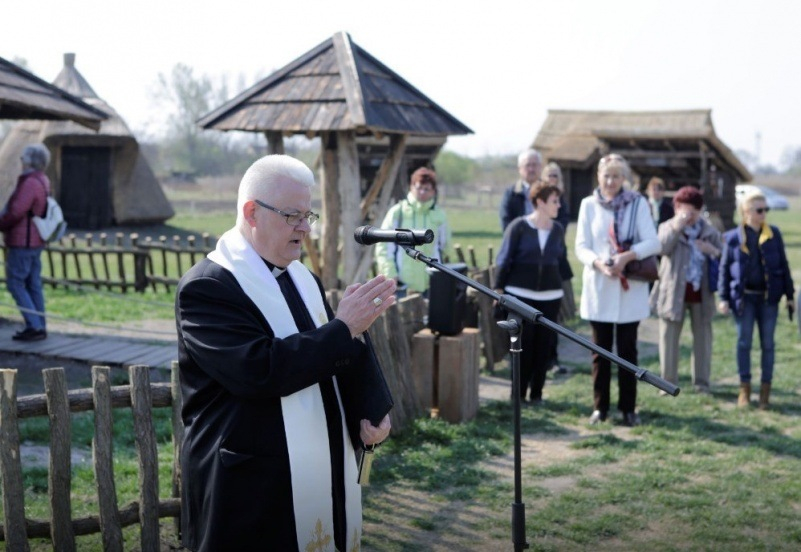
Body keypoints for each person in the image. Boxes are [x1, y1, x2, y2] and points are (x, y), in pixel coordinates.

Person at [175, 154, 395, 551]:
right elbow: (261, 370)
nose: (305, 228)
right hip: (250, 484)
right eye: (293, 216)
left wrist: (370, 410)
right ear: (252, 212)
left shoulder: (303, 278)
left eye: (308, 215)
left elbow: (334, 355)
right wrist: (344, 326)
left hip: (314, 468)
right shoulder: (207, 288)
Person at [574, 154, 661, 426]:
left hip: (628, 289)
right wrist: (598, 263)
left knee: (627, 352)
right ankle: (600, 407)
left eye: (616, 176)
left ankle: (628, 408)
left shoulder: (638, 203)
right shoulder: (588, 205)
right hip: (600, 285)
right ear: (598, 177)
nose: (610, 182)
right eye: (606, 176)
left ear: (624, 179)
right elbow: (581, 246)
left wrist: (627, 257)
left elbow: (653, 242)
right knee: (600, 352)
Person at [718, 189, 794, 409]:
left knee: (768, 345)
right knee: (744, 343)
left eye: (765, 209)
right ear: (746, 211)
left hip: (768, 299)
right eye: (759, 210)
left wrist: (790, 295)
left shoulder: (773, 234)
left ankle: (765, 392)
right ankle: (745, 389)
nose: (763, 214)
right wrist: (723, 298)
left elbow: (784, 265)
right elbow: (724, 269)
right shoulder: (733, 237)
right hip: (744, 300)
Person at [495, 181, 568, 404]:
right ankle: (517, 396)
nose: (559, 205)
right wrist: (499, 289)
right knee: (521, 348)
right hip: (520, 297)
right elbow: (504, 259)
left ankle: (537, 394)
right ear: (540, 202)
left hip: (550, 298)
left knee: (543, 348)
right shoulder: (518, 226)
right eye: (554, 201)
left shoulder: (558, 229)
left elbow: (561, 261)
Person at [650, 186, 721, 394]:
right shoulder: (666, 227)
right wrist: (676, 227)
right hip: (672, 292)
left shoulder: (710, 231)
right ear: (677, 208)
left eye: (694, 211)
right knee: (668, 338)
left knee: (703, 340)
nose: (689, 216)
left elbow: (724, 256)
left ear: (700, 211)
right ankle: (667, 383)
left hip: (701, 293)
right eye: (685, 210)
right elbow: (662, 248)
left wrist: (711, 250)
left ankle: (701, 383)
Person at [0, 143, 51, 341]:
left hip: (23, 241)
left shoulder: (30, 182)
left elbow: (16, 211)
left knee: (16, 283)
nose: (21, 162)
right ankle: (39, 325)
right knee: (32, 284)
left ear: (29, 161)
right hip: (34, 241)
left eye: (22, 159)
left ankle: (34, 325)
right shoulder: (42, 179)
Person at [375, 166, 450, 296]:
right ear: (411, 187)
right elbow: (384, 247)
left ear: (433, 191)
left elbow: (444, 247)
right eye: (419, 187)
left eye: (426, 189)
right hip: (401, 286)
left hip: (431, 284)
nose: (422, 192)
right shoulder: (397, 212)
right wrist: (390, 273)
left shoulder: (440, 215)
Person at [541, 162, 574, 374]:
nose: (552, 178)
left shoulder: (561, 201)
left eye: (556, 175)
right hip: (535, 265)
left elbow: (560, 227)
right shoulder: (537, 199)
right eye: (549, 175)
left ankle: (552, 359)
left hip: (554, 263)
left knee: (553, 316)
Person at [500, 149, 542, 230]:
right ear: (520, 169)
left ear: (540, 167)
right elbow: (505, 220)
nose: (531, 169)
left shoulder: (550, 191)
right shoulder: (511, 194)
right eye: (527, 165)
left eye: (534, 165)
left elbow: (562, 216)